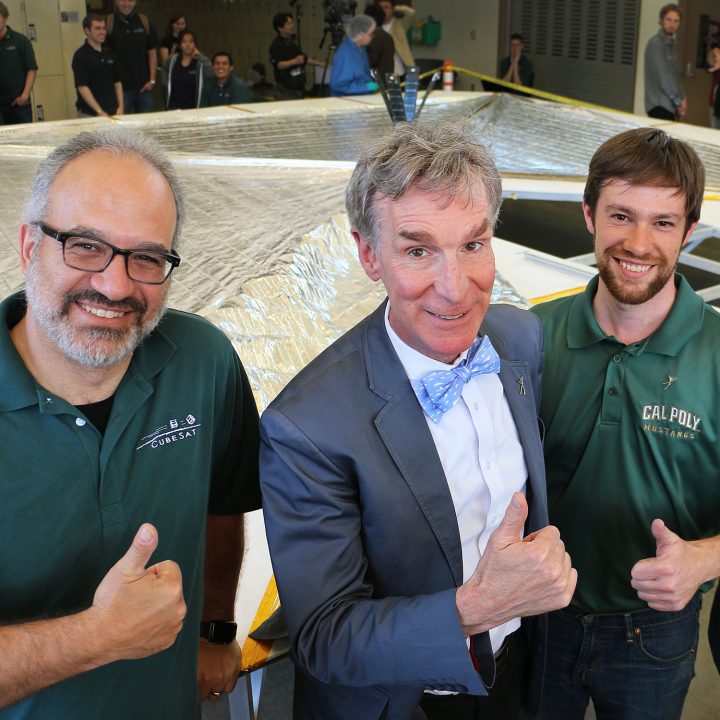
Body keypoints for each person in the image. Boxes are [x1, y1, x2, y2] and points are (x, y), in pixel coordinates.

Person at [261, 119, 577, 720]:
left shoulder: (519, 337)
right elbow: (324, 637)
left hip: (515, 678)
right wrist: (475, 607)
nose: (455, 288)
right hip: (402, 703)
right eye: (417, 250)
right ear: (368, 255)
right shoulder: (305, 426)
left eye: (473, 244)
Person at [0, 127, 261, 718]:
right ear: (27, 246)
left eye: (146, 257)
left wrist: (215, 630)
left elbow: (224, 503)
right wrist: (95, 638)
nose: (115, 286)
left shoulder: (202, 361)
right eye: (85, 246)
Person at [531, 127, 719, 720]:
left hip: (655, 632)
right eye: (621, 215)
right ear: (589, 215)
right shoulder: (532, 338)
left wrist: (708, 559)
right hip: (537, 616)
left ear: (690, 231)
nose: (638, 244)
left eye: (663, 223)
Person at [106, 0, 159, 114]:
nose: (126, 4)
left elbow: (152, 52)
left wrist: (152, 80)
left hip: (144, 89)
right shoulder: (108, 23)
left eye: (130, 0)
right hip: (120, 90)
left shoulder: (144, 21)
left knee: (145, 127)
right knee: (122, 129)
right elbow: (104, 56)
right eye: (122, 0)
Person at [72, 14, 123, 118]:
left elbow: (117, 82)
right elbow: (82, 87)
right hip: (90, 114)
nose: (102, 32)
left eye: (104, 28)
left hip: (113, 112)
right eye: (98, 28)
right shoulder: (80, 56)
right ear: (87, 31)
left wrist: (121, 107)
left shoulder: (110, 53)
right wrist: (99, 111)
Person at [269, 11, 325, 101]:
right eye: (288, 24)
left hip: (298, 86)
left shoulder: (291, 42)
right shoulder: (276, 45)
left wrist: (320, 64)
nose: (292, 26)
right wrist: (293, 61)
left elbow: (303, 59)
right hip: (285, 89)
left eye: (292, 22)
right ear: (280, 28)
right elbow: (278, 65)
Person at [644, 3, 686, 121]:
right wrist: (678, 101)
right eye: (669, 19)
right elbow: (664, 78)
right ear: (661, 20)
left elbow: (675, 75)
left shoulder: (671, 44)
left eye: (676, 21)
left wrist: (683, 98)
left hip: (670, 105)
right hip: (659, 104)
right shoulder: (656, 44)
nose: (672, 24)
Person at [0, 1, 37, 125]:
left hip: (19, 106)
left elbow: (31, 69)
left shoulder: (20, 41)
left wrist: (24, 96)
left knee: (24, 142)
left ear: (5, 18)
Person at [329, 15, 377, 97]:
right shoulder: (345, 55)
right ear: (359, 35)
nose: (372, 37)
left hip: (361, 97)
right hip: (346, 101)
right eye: (370, 34)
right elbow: (339, 85)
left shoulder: (360, 47)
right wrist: (366, 87)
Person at [162, 29, 210, 110]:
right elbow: (164, 69)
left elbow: (211, 73)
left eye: (191, 42)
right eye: (184, 42)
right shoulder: (173, 60)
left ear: (195, 44)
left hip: (192, 109)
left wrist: (200, 56)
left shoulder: (200, 63)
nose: (188, 45)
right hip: (173, 107)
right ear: (180, 45)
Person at [378, 0, 415, 78]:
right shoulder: (374, 27)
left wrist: (395, 8)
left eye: (386, 7)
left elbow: (411, 12)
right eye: (380, 8)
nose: (383, 10)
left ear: (392, 9)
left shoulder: (400, 24)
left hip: (402, 71)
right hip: (384, 74)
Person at [365, 3, 395, 78]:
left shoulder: (374, 37)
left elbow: (369, 61)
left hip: (375, 83)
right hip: (386, 80)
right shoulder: (387, 36)